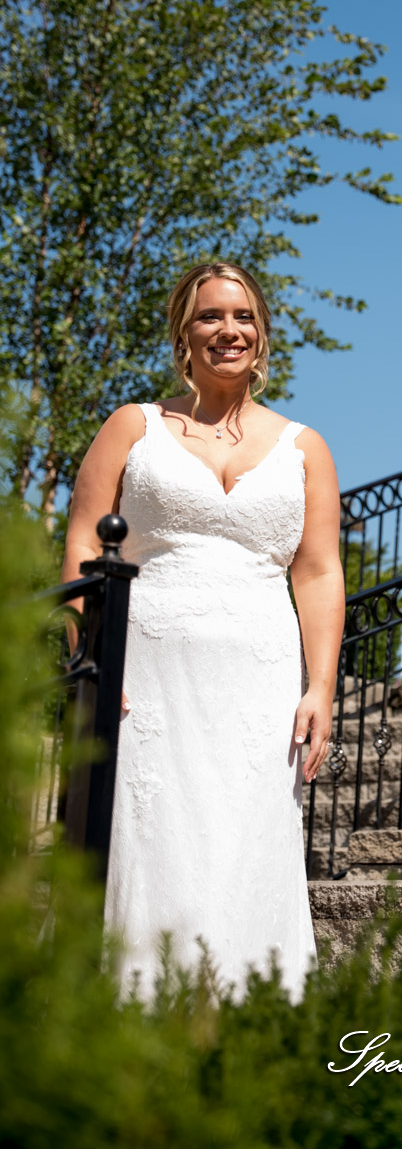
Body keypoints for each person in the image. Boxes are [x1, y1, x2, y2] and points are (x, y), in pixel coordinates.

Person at [61, 261, 344, 1000]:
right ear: (183, 336)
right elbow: (85, 551)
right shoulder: (134, 426)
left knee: (247, 845)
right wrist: (93, 660)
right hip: (146, 674)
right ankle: (138, 1016)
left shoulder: (304, 446)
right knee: (153, 842)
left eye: (243, 316)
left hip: (257, 682)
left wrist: (320, 686)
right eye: (211, 317)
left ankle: (253, 1015)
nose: (229, 330)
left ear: (263, 335)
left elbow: (316, 572)